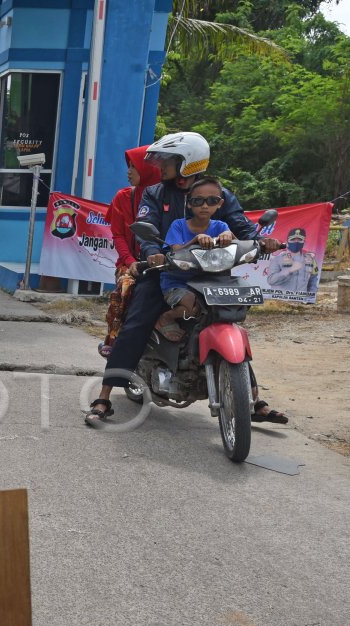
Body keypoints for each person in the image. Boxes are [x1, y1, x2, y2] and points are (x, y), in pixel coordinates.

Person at [84, 131, 288, 425]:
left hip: (211, 273)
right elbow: (146, 226)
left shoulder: (219, 194)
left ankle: (252, 400)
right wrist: (152, 252)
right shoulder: (156, 193)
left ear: (187, 162)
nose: (160, 166)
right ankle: (104, 397)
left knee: (226, 320)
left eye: (167, 160)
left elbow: (243, 227)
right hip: (166, 273)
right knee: (137, 319)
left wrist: (261, 241)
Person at [153, 176, 234, 339]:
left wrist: (229, 235)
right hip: (176, 282)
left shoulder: (221, 226)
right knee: (192, 306)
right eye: (198, 201)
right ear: (189, 204)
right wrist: (194, 240)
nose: (205, 206)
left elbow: (235, 243)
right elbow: (175, 251)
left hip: (208, 281)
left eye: (212, 200)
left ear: (220, 204)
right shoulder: (178, 225)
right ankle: (166, 318)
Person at [103, 146, 162, 358]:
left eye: (133, 167)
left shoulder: (165, 197)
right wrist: (129, 262)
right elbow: (118, 235)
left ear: (148, 169)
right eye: (128, 167)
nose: (128, 172)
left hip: (162, 261)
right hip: (130, 262)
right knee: (124, 288)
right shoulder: (123, 197)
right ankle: (113, 340)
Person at [267, 227, 319, 295]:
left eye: (300, 239)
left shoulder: (310, 260)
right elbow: (271, 281)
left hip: (300, 302)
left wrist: (310, 299)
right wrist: (289, 270)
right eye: (293, 239)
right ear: (287, 242)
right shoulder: (277, 259)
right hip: (280, 301)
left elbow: (313, 282)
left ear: (304, 242)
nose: (296, 242)